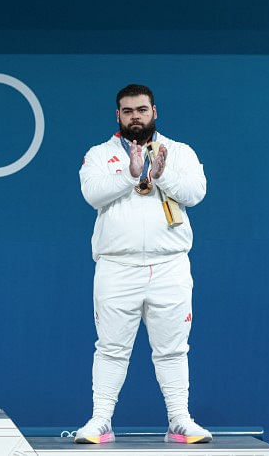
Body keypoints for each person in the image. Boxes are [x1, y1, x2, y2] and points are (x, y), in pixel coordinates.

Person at [75, 84, 211, 444]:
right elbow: (92, 194)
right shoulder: (99, 154)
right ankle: (100, 420)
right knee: (111, 348)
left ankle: (180, 419)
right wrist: (130, 173)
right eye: (127, 111)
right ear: (117, 115)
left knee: (172, 349)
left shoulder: (179, 152)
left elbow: (196, 193)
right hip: (117, 266)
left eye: (141, 109)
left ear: (154, 112)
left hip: (170, 265)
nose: (135, 116)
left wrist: (161, 174)